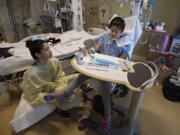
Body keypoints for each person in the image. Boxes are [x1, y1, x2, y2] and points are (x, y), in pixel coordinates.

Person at [62, 16, 131, 131]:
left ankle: (107, 118)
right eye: (111, 30)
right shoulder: (105, 37)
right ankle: (65, 94)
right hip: (97, 66)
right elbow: (95, 48)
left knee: (106, 96)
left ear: (121, 31)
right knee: (80, 77)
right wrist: (87, 51)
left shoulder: (124, 42)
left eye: (116, 32)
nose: (113, 33)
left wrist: (121, 65)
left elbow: (123, 60)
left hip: (108, 73)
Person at [22, 39, 83, 118]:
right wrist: (51, 95)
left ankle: (81, 92)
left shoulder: (54, 61)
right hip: (47, 92)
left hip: (57, 87)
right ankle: (59, 108)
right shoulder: (31, 74)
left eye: (49, 48)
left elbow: (60, 78)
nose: (50, 51)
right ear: (38, 54)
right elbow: (33, 96)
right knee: (70, 97)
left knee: (79, 77)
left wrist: (61, 89)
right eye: (46, 49)